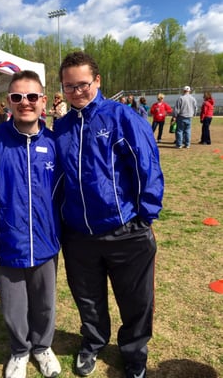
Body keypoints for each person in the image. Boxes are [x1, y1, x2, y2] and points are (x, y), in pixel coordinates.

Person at [54, 52, 164, 378]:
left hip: (125, 231)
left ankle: (133, 353)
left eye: (82, 84)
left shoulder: (121, 117)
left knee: (135, 300)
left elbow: (147, 167)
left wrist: (145, 216)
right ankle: (93, 341)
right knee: (88, 299)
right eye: (69, 86)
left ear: (98, 81)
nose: (76, 92)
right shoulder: (60, 127)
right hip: (78, 235)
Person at [0, 70, 62, 378]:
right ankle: (20, 351)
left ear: (43, 101)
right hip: (5, 242)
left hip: (46, 241)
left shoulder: (54, 142)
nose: (25, 103)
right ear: (8, 101)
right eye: (18, 97)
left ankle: (43, 347)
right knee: (13, 306)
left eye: (32, 96)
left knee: (45, 303)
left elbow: (65, 193)